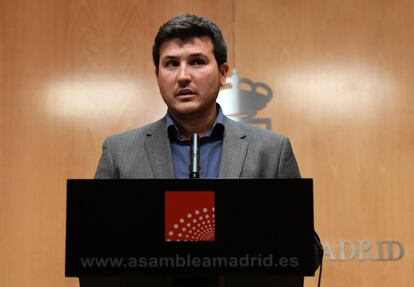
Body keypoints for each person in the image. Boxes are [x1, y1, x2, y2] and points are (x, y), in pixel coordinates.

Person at [93, 14, 322, 287]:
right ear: (157, 76)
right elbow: (93, 249)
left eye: (197, 62)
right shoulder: (119, 151)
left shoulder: (271, 151)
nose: (183, 76)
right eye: (171, 64)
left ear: (223, 73)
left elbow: (308, 255)